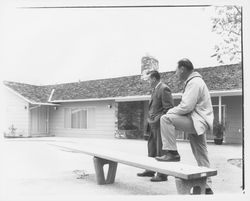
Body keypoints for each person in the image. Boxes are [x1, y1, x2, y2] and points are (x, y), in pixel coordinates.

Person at [156, 58, 214, 194]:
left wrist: (170, 111)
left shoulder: (194, 82)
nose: (176, 74)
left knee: (165, 119)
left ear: (182, 69)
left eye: (176, 70)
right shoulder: (197, 81)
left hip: (197, 121)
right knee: (201, 154)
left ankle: (172, 153)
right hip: (199, 121)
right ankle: (207, 187)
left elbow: (186, 106)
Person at [137, 70, 174, 182]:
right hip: (152, 124)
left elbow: (169, 108)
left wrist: (158, 119)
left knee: (160, 149)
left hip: (160, 124)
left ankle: (162, 175)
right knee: (151, 147)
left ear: (154, 79)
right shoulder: (155, 90)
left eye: (149, 80)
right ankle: (150, 170)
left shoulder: (164, 88)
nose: (148, 82)